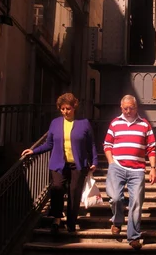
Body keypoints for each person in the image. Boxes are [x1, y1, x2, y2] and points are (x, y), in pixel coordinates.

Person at [21, 93, 98, 233]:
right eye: (62, 109)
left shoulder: (84, 123)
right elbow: (48, 144)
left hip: (78, 164)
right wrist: (34, 151)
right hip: (58, 163)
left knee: (74, 193)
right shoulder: (55, 123)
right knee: (57, 188)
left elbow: (91, 144)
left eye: (68, 108)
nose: (65, 112)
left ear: (74, 107)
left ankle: (71, 222)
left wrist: (94, 161)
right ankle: (56, 218)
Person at [103, 95, 156, 250]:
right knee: (115, 198)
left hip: (137, 170)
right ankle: (117, 220)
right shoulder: (115, 123)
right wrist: (111, 162)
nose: (128, 111)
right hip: (117, 166)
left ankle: (133, 236)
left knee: (136, 203)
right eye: (125, 108)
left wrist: (153, 169)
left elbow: (151, 148)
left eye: (131, 108)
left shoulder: (144, 124)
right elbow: (107, 144)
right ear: (121, 108)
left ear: (136, 107)